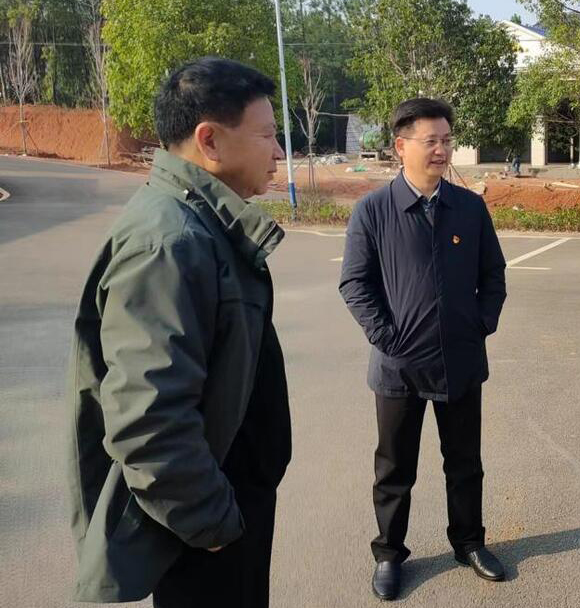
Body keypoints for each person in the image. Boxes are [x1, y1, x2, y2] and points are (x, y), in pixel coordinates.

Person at [66, 57, 291, 608]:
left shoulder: (204, 224)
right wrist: (209, 520)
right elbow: (148, 417)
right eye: (267, 135)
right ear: (209, 140)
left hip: (226, 498)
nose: (279, 152)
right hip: (203, 526)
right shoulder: (169, 243)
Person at [338, 97, 508, 601]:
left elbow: (493, 275)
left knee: (465, 461)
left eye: (447, 140)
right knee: (394, 468)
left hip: (460, 361)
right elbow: (355, 284)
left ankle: (469, 543)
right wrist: (389, 339)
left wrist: (479, 325)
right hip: (398, 369)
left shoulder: (469, 208)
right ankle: (389, 554)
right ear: (401, 146)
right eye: (431, 140)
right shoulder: (374, 211)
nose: (441, 150)